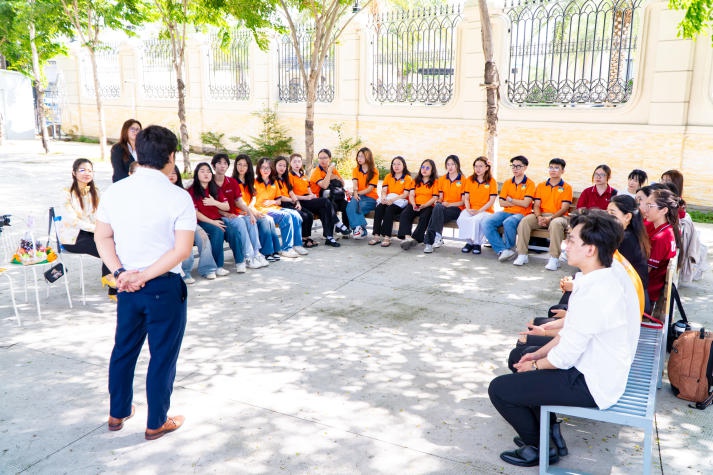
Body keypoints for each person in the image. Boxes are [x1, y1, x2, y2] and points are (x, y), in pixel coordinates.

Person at [488, 210, 640, 468]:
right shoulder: (602, 273)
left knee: (500, 389)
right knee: (519, 356)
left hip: (592, 382)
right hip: (592, 365)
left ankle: (540, 447)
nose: (564, 244)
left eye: (571, 240)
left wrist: (535, 365)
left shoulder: (597, 291)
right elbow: (571, 331)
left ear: (590, 249)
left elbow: (565, 356)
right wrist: (536, 355)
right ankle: (550, 434)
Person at [95, 124, 195, 440]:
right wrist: (143, 276)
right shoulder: (178, 196)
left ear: (137, 152)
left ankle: (118, 412)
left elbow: (102, 235)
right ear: (171, 156)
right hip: (163, 288)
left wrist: (122, 273)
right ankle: (156, 421)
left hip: (126, 287)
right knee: (162, 355)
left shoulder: (116, 190)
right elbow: (181, 250)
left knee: (123, 349)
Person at [59, 158, 116, 300]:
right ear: (74, 172)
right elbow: (72, 219)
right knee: (108, 249)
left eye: (90, 170)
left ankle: (111, 282)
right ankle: (112, 286)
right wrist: (95, 228)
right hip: (73, 237)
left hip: (92, 232)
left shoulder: (95, 191)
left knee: (114, 244)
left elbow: (100, 214)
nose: (87, 173)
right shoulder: (66, 191)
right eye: (82, 170)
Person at [513, 158, 572, 270]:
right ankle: (522, 254)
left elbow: (564, 208)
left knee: (556, 224)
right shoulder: (541, 186)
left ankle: (554, 259)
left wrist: (550, 218)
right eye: (551, 167)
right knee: (525, 221)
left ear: (562, 171)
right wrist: (539, 216)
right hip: (542, 215)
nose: (553, 170)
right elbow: (536, 205)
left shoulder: (567, 187)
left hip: (559, 217)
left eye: (556, 168)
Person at [212, 153, 267, 271]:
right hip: (219, 216)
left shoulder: (232, 181)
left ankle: (256, 253)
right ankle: (248, 256)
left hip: (233, 214)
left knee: (250, 220)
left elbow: (239, 202)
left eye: (225, 163)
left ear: (228, 166)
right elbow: (208, 205)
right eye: (219, 163)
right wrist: (226, 214)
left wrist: (250, 213)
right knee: (241, 222)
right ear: (213, 165)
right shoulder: (210, 182)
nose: (222, 166)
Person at [167, 166, 221, 283]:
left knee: (203, 237)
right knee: (185, 242)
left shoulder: (183, 192)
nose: (171, 175)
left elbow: (190, 212)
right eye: (169, 173)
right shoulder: (161, 192)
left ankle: (208, 269)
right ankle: (185, 273)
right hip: (168, 226)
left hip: (186, 223)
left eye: (174, 173)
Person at [188, 162, 243, 274]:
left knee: (233, 231)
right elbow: (196, 213)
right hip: (202, 222)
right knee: (218, 231)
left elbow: (226, 206)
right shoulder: (192, 190)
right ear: (196, 174)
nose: (206, 174)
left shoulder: (215, 188)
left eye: (208, 171)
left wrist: (214, 202)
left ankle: (240, 262)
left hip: (217, 219)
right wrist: (213, 222)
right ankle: (218, 266)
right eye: (202, 171)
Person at [482, 155, 535, 262]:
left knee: (509, 222)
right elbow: (501, 202)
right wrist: (516, 202)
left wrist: (510, 200)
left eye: (518, 166)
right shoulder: (507, 182)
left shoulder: (530, 184)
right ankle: (503, 250)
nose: (515, 169)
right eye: (513, 166)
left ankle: (510, 248)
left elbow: (526, 204)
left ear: (525, 167)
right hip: (506, 211)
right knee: (487, 222)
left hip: (522, 213)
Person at [232, 154, 282, 262]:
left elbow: (253, 199)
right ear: (235, 166)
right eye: (239, 164)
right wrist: (251, 212)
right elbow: (237, 203)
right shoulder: (233, 182)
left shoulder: (249, 181)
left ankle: (275, 250)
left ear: (249, 167)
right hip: (239, 213)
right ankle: (266, 252)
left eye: (245, 165)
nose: (242, 167)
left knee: (269, 219)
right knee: (264, 220)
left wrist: (252, 210)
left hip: (249, 211)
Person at [254, 157, 306, 258]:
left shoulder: (273, 182)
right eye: (263, 167)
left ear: (271, 169)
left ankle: (297, 245)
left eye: (268, 168)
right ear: (258, 169)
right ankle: (286, 248)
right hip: (261, 209)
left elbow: (278, 200)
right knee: (285, 216)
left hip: (274, 208)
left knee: (296, 215)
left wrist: (272, 201)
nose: (266, 170)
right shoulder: (254, 182)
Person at [607, 195, 651, 313]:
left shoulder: (625, 240)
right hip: (629, 293)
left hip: (632, 301)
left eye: (612, 214)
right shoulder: (629, 234)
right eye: (606, 212)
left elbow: (609, 275)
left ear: (627, 217)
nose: (606, 217)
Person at [288, 153, 341, 247]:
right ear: (290, 163)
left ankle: (329, 237)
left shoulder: (303, 176)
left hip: (308, 200)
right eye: (294, 161)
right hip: (299, 202)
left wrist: (312, 195)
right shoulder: (290, 176)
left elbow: (309, 190)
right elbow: (290, 194)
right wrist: (307, 197)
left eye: (299, 161)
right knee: (325, 201)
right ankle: (338, 223)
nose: (297, 164)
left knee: (324, 209)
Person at [642, 188, 681, 305]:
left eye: (650, 205)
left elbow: (645, 272)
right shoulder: (665, 228)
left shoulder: (661, 238)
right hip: (650, 286)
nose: (645, 209)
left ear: (664, 210)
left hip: (647, 291)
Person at [423, 155, 465, 253]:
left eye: (452, 164)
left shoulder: (463, 180)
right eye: (448, 164)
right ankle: (436, 238)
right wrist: (439, 201)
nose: (450, 167)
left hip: (457, 208)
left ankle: (430, 243)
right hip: (443, 208)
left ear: (457, 166)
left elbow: (463, 201)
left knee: (434, 215)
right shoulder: (442, 179)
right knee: (437, 208)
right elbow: (441, 197)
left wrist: (449, 204)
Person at [274, 155, 318, 248]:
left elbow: (291, 192)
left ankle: (305, 238)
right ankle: (298, 241)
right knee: (302, 216)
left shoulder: (285, 178)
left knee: (309, 214)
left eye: (284, 166)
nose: (282, 168)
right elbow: (279, 197)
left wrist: (297, 202)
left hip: (291, 202)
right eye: (280, 165)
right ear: (275, 166)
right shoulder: (274, 180)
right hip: (282, 204)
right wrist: (292, 200)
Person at [370, 156, 413, 247]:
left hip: (400, 202)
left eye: (399, 164)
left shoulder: (408, 178)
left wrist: (392, 200)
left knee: (389, 210)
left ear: (404, 166)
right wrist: (384, 197)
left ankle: (387, 236)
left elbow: (405, 194)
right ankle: (376, 235)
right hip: (389, 199)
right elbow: (384, 190)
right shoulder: (388, 176)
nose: (396, 166)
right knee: (379, 208)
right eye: (394, 164)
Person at [457, 156, 497, 254]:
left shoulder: (492, 181)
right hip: (471, 208)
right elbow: (466, 198)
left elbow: (491, 201)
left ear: (486, 168)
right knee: (461, 219)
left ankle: (477, 243)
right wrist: (468, 209)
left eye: (480, 166)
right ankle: (469, 242)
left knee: (476, 220)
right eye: (476, 166)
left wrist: (479, 211)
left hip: (485, 211)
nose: (477, 169)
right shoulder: (470, 179)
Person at [309, 148, 351, 236]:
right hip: (319, 199)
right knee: (332, 206)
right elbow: (324, 185)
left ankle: (343, 229)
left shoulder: (332, 169)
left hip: (333, 196)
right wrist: (329, 174)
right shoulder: (316, 172)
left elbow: (342, 183)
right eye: (320, 158)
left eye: (325, 157)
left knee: (347, 206)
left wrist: (334, 176)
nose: (322, 160)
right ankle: (327, 234)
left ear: (330, 159)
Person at [399, 159, 439, 250]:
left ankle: (415, 238)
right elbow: (411, 194)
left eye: (427, 168)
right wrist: (413, 204)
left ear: (432, 170)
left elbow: (434, 198)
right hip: (415, 204)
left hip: (428, 205)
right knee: (405, 214)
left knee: (425, 217)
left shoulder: (435, 182)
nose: (424, 169)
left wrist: (424, 205)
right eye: (423, 167)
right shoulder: (415, 180)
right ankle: (407, 237)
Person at [346, 147, 379, 240]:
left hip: (370, 198)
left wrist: (357, 193)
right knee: (350, 206)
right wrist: (355, 193)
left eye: (362, 156)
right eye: (358, 156)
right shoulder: (356, 169)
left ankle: (360, 229)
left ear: (368, 158)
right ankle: (359, 229)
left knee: (356, 208)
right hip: (358, 195)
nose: (359, 159)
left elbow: (370, 189)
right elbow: (355, 183)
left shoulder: (374, 171)